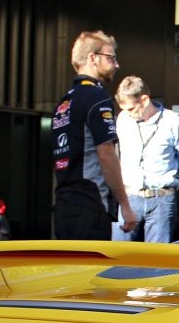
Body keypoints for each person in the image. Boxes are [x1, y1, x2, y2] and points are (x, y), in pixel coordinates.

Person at [51, 31, 137, 240]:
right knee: (91, 272)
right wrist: (125, 206)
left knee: (70, 272)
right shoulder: (96, 96)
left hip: (64, 205)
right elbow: (106, 152)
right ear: (93, 58)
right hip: (90, 205)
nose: (116, 65)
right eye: (111, 58)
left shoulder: (64, 102)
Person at [114, 75, 179, 243]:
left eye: (131, 109)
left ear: (144, 100)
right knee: (119, 257)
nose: (128, 114)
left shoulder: (172, 121)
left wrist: (166, 176)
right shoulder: (123, 120)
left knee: (157, 260)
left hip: (162, 198)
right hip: (129, 196)